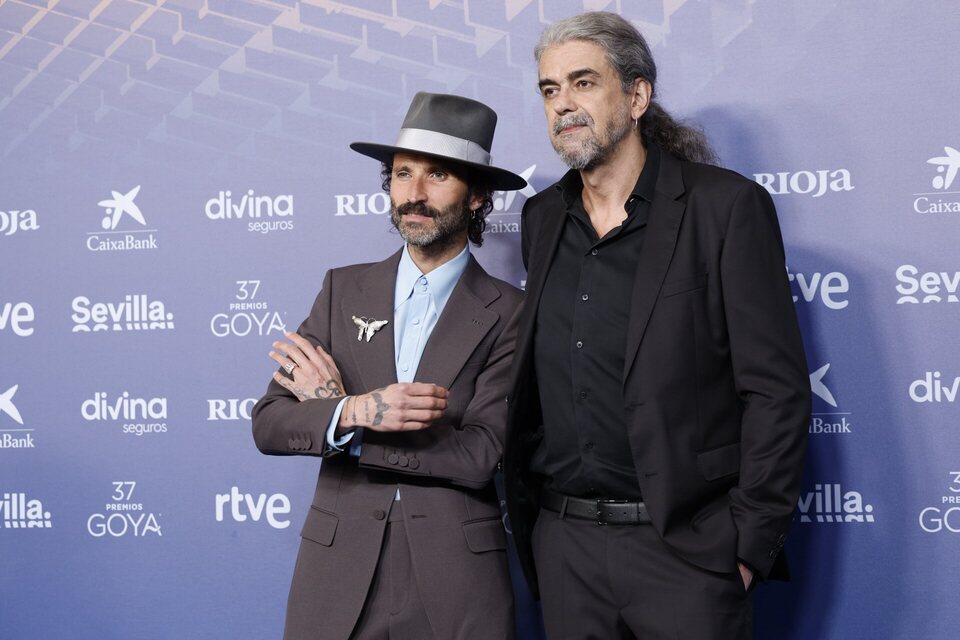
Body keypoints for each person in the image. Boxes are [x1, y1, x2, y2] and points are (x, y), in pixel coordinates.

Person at [502, 12, 811, 639]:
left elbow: (775, 392)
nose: (563, 104)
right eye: (549, 89)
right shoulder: (541, 218)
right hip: (566, 548)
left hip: (686, 552)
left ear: (637, 96)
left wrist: (746, 547)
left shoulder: (723, 208)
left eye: (583, 83)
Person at [252, 92, 526, 640]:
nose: (414, 195)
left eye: (437, 176)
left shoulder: (512, 312)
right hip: (336, 571)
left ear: (476, 197)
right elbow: (270, 423)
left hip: (456, 578)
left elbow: (480, 455)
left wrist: (352, 424)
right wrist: (354, 408)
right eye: (402, 174)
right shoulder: (341, 289)